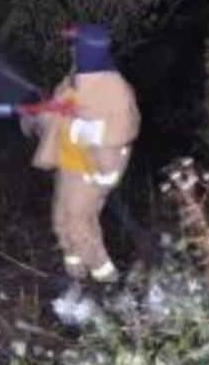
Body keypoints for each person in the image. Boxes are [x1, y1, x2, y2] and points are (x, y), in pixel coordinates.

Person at [20, 23, 140, 283]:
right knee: (62, 219)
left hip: (92, 169)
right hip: (70, 164)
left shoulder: (114, 87)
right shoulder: (76, 77)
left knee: (78, 223)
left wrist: (77, 128)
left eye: (75, 45)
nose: (71, 50)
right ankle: (76, 272)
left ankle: (108, 280)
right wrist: (34, 113)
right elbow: (58, 110)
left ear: (87, 49)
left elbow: (125, 129)